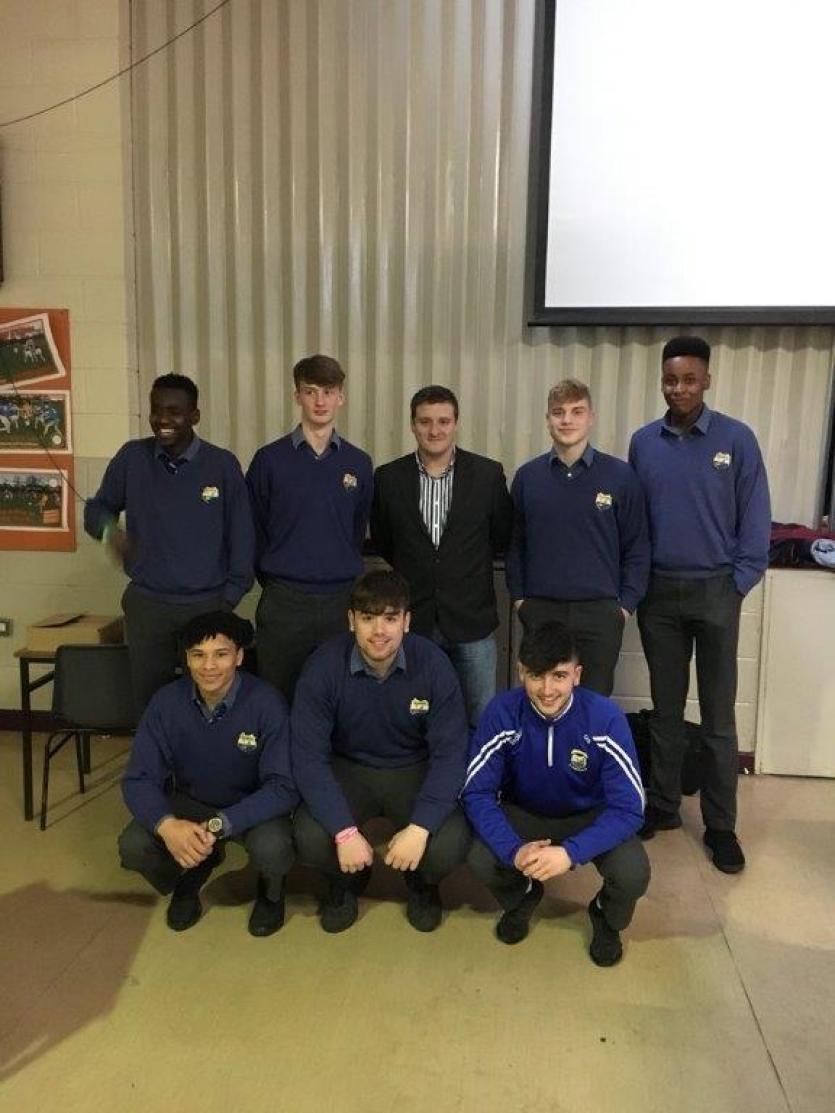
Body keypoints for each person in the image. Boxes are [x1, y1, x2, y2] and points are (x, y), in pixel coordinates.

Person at [629, 336, 770, 872]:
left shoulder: (737, 439)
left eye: (689, 379)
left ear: (706, 380)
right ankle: (664, 805)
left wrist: (738, 584)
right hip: (660, 595)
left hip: (717, 592)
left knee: (717, 715)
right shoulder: (644, 443)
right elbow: (636, 521)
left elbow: (755, 518)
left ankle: (721, 825)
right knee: (665, 710)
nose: (679, 388)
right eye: (671, 379)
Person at [291, 569, 470, 934]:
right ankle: (345, 881)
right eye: (368, 618)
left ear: (407, 621)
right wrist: (344, 832)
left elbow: (451, 754)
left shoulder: (434, 664)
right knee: (309, 836)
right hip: (349, 768)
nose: (379, 631)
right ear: (351, 620)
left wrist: (420, 828)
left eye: (390, 618)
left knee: (449, 843)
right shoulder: (323, 666)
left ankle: (423, 884)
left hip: (413, 768)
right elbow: (307, 757)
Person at [461, 621, 649, 966]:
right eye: (536, 676)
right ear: (521, 672)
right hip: (526, 813)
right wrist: (513, 850)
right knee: (481, 856)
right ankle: (523, 896)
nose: (547, 690)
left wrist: (570, 853)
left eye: (559, 676)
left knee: (633, 873)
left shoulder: (605, 718)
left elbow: (630, 808)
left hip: (589, 815)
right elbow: (477, 793)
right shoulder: (502, 712)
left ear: (577, 675)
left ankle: (605, 916)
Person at [117, 611, 298, 936]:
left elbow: (283, 787)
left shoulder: (267, 703)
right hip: (190, 802)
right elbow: (138, 778)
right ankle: (187, 875)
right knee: (133, 845)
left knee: (273, 848)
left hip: (250, 805)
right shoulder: (166, 703)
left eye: (221, 654)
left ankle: (270, 891)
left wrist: (219, 824)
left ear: (239, 657)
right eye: (198, 655)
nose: (209, 666)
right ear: (187, 659)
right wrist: (167, 825)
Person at [84, 373, 255, 714]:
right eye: (157, 410)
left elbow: (243, 536)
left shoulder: (222, 465)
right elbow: (96, 509)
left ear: (194, 416)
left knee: (208, 700)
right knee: (150, 702)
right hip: (148, 605)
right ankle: (154, 751)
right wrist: (109, 531)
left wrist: (229, 598)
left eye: (174, 411)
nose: (163, 419)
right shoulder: (132, 458)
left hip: (207, 605)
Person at [370, 385, 513, 731]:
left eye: (443, 421)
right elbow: (385, 541)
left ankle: (475, 770)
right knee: (411, 717)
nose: (434, 430)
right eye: (425, 422)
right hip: (413, 621)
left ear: (456, 423)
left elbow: (501, 537)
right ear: (412, 425)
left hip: (472, 621)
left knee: (480, 716)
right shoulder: (388, 479)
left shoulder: (487, 475)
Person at [506, 379, 650, 696]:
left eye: (577, 411)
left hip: (600, 615)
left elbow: (638, 548)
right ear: (548, 419)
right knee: (543, 698)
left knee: (593, 703)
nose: (567, 420)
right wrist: (520, 601)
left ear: (591, 417)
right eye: (558, 412)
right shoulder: (528, 477)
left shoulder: (620, 477)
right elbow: (515, 546)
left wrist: (624, 607)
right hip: (541, 611)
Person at [246, 355, 373, 702]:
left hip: (340, 600)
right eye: (310, 391)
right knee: (278, 697)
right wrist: (278, 577)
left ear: (340, 398)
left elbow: (355, 529)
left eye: (328, 392)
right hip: (284, 601)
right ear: (297, 396)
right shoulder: (269, 460)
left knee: (339, 697)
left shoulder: (358, 463)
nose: (320, 401)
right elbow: (254, 529)